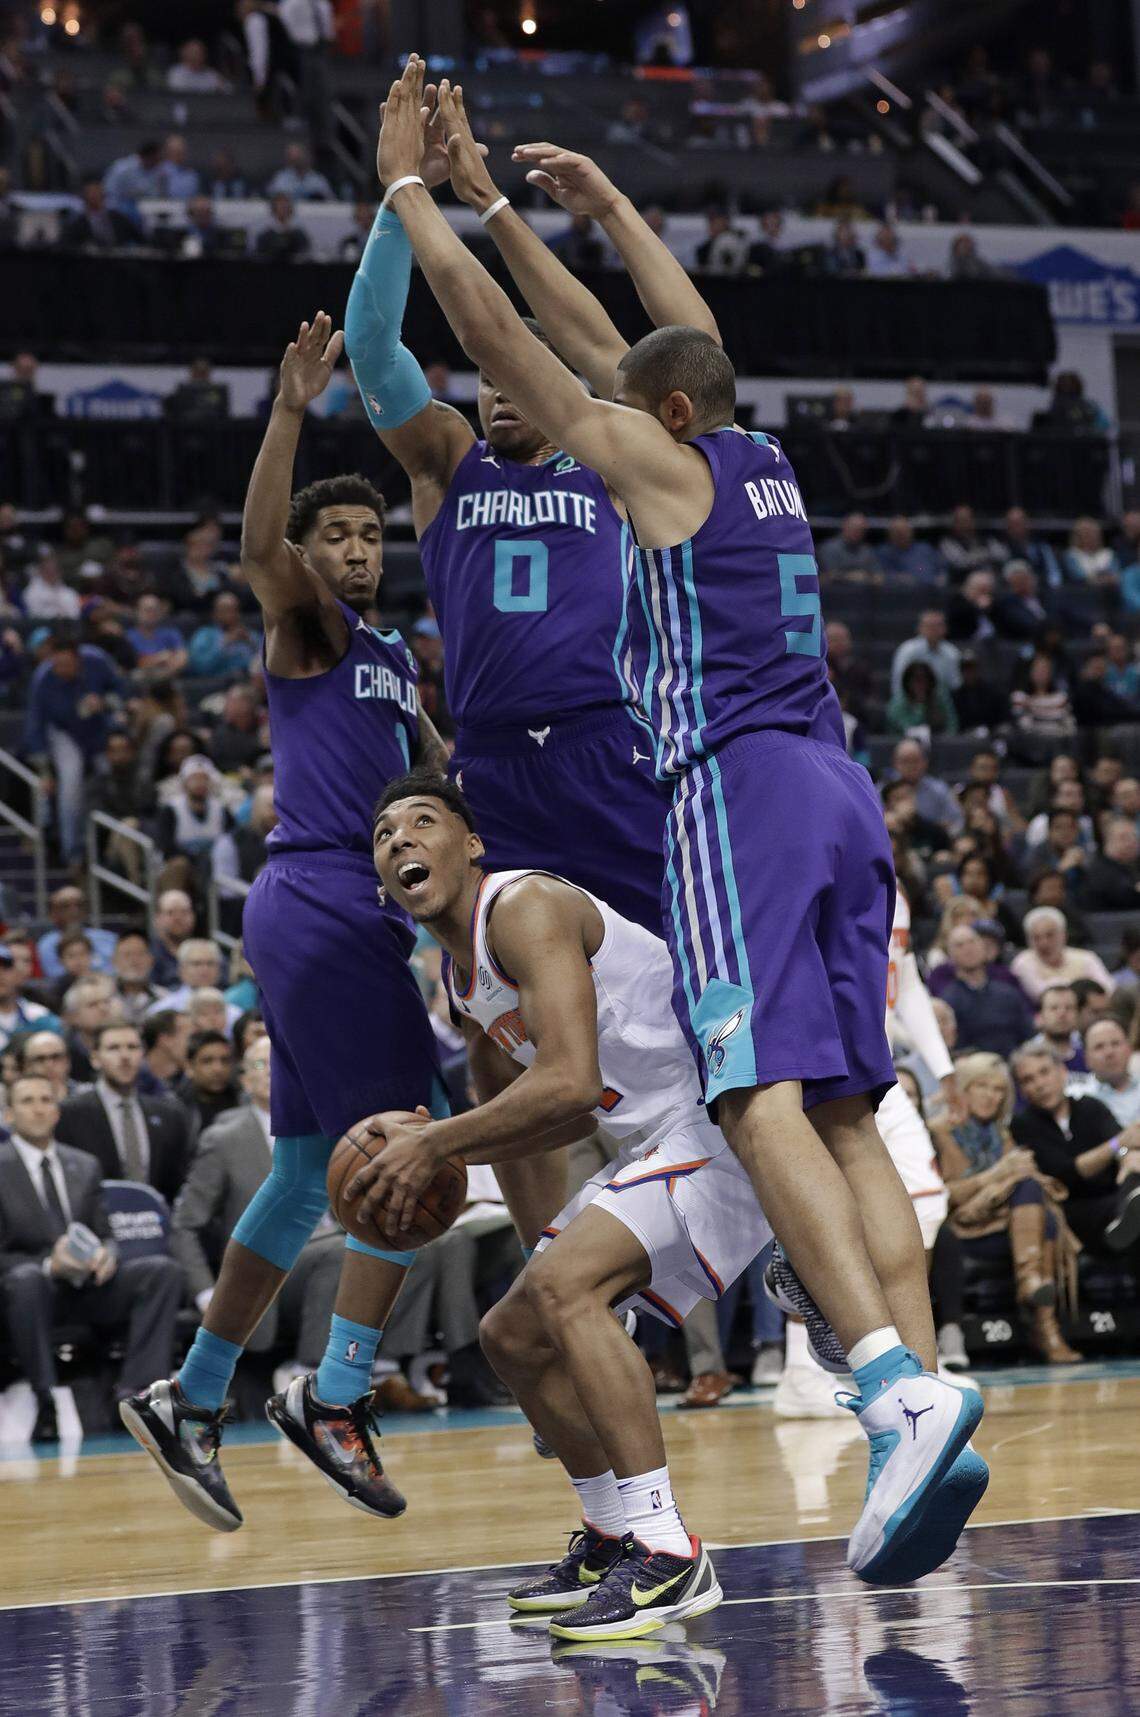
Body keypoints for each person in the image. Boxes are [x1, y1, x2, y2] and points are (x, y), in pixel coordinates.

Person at [384, 64, 985, 1587]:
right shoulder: (757, 453)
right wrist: (557, 207)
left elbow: (505, 341)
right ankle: (923, 1392)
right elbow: (674, 339)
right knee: (847, 1110)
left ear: (656, 417)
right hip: (846, 794)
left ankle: (888, 1390)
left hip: (741, 789)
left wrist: (413, 195)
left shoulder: (658, 469)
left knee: (757, 1094)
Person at [343, 132, 717, 1251]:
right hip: (496, 766)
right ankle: (554, 1249)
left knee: (697, 981)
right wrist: (393, 199)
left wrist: (526, 210)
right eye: (488, 374)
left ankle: (737, 1206)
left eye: (523, 372)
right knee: (496, 1028)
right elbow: (370, 344)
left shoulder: (612, 458)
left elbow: (656, 354)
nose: (504, 387)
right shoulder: (446, 460)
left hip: (610, 749)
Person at [122, 312, 446, 1536]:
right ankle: (339, 1391)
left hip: (322, 909)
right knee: (420, 1154)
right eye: (339, 537)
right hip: (322, 896)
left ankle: (193, 1395)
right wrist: (291, 414)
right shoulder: (306, 623)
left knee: (311, 1174)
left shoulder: (392, 652)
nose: (357, 551)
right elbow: (260, 545)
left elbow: (441, 782)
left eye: (370, 534)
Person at [356, 773, 773, 1636]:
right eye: (385, 832)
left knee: (562, 1294)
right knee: (512, 1333)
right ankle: (613, 1532)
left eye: (423, 821)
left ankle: (669, 1551)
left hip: (721, 1116)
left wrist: (438, 1144)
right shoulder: (460, 971)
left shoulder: (526, 907)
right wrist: (496, 1200)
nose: (401, 839)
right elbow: (564, 1111)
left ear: (472, 845)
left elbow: (570, 1082)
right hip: (656, 1136)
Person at [0, 1072, 183, 1443]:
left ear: (58, 1110)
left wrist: (107, 1254)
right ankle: (44, 1398)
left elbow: (105, 1232)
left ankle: (137, 1396)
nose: (38, 1109)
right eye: (28, 1101)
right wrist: (49, 1265)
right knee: (27, 1280)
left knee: (161, 1271)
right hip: (31, 1295)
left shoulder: (84, 1164)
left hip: (89, 1287)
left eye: (46, 1100)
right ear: (8, 1114)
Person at [931, 1054, 1082, 1365]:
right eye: (981, 1086)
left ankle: (1034, 1294)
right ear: (962, 1089)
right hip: (960, 1230)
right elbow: (940, 1196)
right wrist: (996, 1175)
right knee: (1041, 1216)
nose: (991, 1096)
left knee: (1038, 1202)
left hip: (1003, 1227)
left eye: (999, 1089)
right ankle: (1045, 1328)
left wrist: (1020, 1174)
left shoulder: (1004, 1135)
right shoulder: (938, 1132)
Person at [1011, 1045, 1140, 1257]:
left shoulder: (1091, 1107)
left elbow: (1124, 1143)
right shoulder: (1023, 1125)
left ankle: (1127, 1215)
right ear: (1022, 1090)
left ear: (1062, 1072)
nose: (1039, 1084)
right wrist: (1117, 1145)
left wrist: (1128, 1156)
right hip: (1072, 1211)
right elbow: (1066, 1173)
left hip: (1116, 1196)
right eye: (1028, 1080)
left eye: (1044, 1072)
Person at [55, 1020, 195, 1204]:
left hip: (156, 1224)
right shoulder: (69, 1113)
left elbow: (179, 1182)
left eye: (132, 1047)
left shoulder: (169, 1114)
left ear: (143, 1055)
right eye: (114, 1048)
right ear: (95, 1058)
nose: (125, 1056)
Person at [24, 634, 123, 864]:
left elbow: (122, 690)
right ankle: (73, 853)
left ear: (79, 659)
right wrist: (45, 771)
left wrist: (105, 702)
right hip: (63, 733)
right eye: (57, 664)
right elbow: (35, 726)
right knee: (71, 781)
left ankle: (108, 847)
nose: (62, 669)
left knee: (109, 777)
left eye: (67, 664)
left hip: (98, 728)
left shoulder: (97, 661)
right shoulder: (43, 679)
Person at [940, 926, 1036, 1057]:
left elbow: (1028, 1034)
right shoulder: (948, 1001)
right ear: (950, 955)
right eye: (959, 945)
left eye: (972, 942)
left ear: (983, 948)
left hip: (1016, 1064)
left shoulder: (1008, 993)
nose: (968, 949)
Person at [1011, 907, 1114, 1004]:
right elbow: (1041, 994)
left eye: (1050, 935)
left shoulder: (1086, 958)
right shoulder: (1023, 962)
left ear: (1064, 935)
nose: (1043, 943)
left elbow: (1108, 989)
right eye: (1036, 938)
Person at [1069, 1017, 1140, 1128]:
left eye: (1115, 1044)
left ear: (1129, 1049)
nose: (1109, 1052)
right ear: (1086, 1059)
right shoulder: (1076, 1098)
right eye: (1099, 1047)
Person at [36, 885, 118, 978]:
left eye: (79, 904)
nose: (74, 911)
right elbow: (56, 977)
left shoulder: (109, 938)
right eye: (65, 906)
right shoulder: (46, 944)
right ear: (52, 913)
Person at [890, 612, 961, 696]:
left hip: (941, 702)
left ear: (945, 628)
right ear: (920, 628)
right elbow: (898, 683)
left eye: (938, 625)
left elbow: (955, 684)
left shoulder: (952, 652)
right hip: (910, 701)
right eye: (929, 625)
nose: (934, 629)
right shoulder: (908, 650)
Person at [1081, 819, 1140, 912]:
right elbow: (1123, 896)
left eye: (1134, 837)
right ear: (1108, 841)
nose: (1131, 842)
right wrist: (1135, 890)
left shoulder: (1130, 866)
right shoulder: (1100, 869)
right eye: (1124, 838)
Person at [1035, 985, 1087, 1073]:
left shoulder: (1089, 1050)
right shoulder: (1030, 1056)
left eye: (1069, 1008)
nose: (1062, 1014)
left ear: (1077, 1014)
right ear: (1040, 1016)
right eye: (1054, 1008)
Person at [150, 889, 196, 989]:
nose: (178, 918)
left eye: (184, 912)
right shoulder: (147, 954)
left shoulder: (204, 953)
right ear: (157, 918)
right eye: (170, 913)